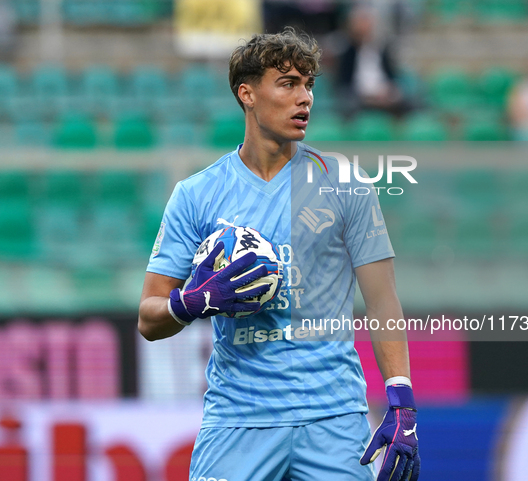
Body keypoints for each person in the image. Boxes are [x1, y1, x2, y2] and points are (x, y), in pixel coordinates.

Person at [138, 27, 419, 481]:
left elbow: (383, 301)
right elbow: (148, 318)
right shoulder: (196, 195)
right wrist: (195, 301)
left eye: (308, 84)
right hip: (238, 417)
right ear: (246, 93)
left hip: (334, 417)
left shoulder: (346, 184)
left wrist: (401, 400)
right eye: (288, 83)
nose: (304, 97)